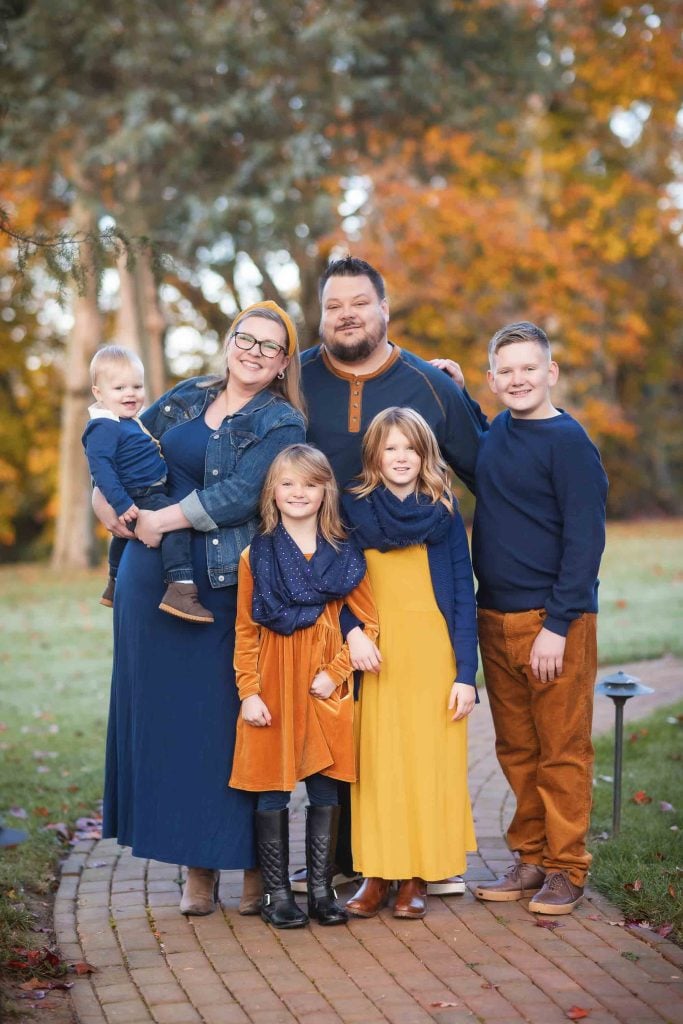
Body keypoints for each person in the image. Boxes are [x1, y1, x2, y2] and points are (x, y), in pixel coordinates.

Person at [92, 300, 307, 917]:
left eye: (269, 346)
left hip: (225, 586)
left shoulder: (282, 424)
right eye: (247, 337)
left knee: (231, 724)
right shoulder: (184, 397)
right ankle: (197, 871)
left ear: (282, 361)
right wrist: (111, 511)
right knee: (175, 728)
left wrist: (164, 516)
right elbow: (116, 443)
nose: (254, 351)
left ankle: (248, 863)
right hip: (148, 581)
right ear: (229, 339)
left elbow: (243, 494)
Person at [295, 255, 485, 897]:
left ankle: (423, 862)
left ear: (383, 309)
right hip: (325, 580)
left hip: (421, 611)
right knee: (357, 739)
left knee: (413, 739)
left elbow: (487, 462)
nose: (346, 314)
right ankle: (363, 862)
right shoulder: (293, 381)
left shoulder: (429, 385)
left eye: (358, 302)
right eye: (333, 306)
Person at [472, 321, 608, 915]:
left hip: (553, 623)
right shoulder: (496, 432)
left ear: (551, 373)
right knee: (516, 748)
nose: (518, 379)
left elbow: (585, 542)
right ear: (492, 380)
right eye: (506, 370)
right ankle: (531, 857)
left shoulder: (570, 444)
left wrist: (557, 624)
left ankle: (567, 867)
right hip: (494, 616)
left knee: (561, 748)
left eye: (530, 368)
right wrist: (450, 382)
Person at [229, 444, 378, 929]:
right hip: (273, 682)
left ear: (324, 491)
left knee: (325, 788)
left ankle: (319, 891)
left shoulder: (344, 553)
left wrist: (333, 673)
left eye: (309, 484)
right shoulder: (257, 554)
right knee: (272, 789)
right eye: (288, 483)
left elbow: (368, 624)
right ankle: (277, 894)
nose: (298, 493)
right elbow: (246, 630)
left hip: (322, 685)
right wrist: (249, 692)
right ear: (273, 491)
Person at [341, 407, 478, 919]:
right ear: (375, 454)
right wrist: (351, 632)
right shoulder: (353, 510)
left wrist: (466, 675)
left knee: (427, 765)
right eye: (390, 448)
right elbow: (333, 586)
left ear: (425, 456)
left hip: (432, 655)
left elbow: (464, 596)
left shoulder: (441, 513)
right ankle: (376, 875)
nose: (400, 458)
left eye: (410, 448)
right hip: (377, 655)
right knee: (377, 765)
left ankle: (416, 877)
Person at [83, 345, 213, 623]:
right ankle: (180, 587)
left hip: (145, 490)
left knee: (121, 537)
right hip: (139, 494)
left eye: (137, 386)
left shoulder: (129, 421)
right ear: (99, 393)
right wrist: (120, 502)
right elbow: (101, 468)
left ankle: (114, 580)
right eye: (119, 388)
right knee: (176, 524)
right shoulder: (104, 426)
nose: (130, 393)